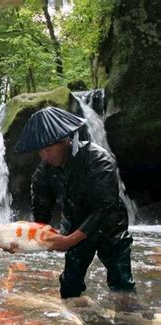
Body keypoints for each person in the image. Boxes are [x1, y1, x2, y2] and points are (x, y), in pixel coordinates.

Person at [15, 106, 136, 299]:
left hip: (110, 226)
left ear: (65, 140)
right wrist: (20, 242)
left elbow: (105, 208)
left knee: (121, 283)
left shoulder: (98, 160)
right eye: (40, 151)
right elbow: (41, 219)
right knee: (69, 285)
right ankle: (79, 321)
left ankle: (131, 322)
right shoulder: (43, 173)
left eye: (48, 149)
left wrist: (69, 240)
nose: (44, 156)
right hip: (74, 222)